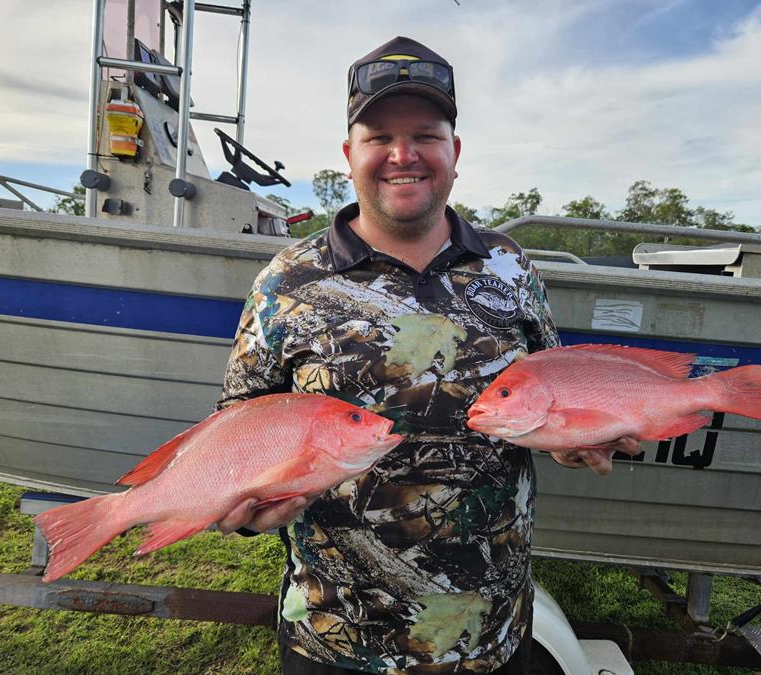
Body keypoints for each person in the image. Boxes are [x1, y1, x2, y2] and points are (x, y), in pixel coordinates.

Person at [215, 36, 575, 674]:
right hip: (336, 638)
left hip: (490, 637)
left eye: (426, 135)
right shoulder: (288, 279)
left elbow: (556, 392)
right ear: (349, 154)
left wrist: (581, 438)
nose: (402, 155)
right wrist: (242, 510)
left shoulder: (512, 268)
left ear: (454, 153)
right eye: (379, 135)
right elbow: (239, 424)